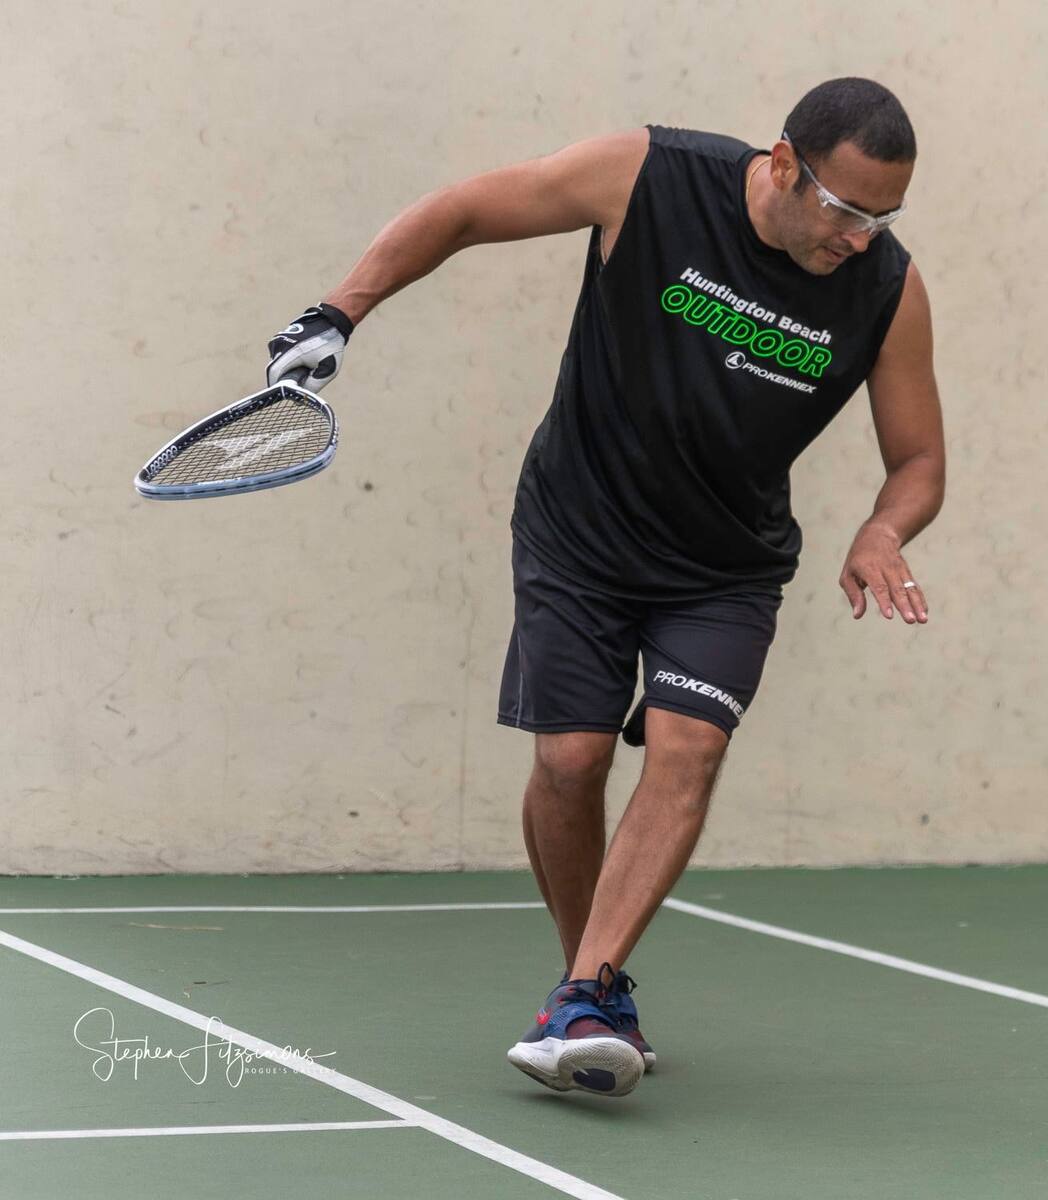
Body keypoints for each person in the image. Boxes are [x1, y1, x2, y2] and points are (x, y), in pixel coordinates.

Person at [265, 76, 945, 1099]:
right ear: (782, 165)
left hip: (724, 567)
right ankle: (586, 986)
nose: (860, 238)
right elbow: (465, 210)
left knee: (689, 749)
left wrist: (884, 530)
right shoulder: (651, 176)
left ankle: (586, 992)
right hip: (578, 532)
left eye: (882, 218)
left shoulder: (887, 290)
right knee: (571, 761)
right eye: (847, 209)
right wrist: (337, 313)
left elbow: (920, 460)